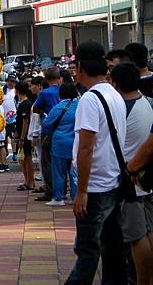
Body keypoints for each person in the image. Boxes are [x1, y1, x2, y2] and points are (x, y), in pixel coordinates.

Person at [65, 41, 128, 285]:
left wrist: (81, 191)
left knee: (88, 251)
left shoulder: (90, 99)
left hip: (95, 187)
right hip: (113, 182)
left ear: (80, 67)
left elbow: (86, 147)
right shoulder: (114, 94)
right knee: (112, 249)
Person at [110, 62, 153, 285]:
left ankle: (143, 280)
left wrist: (129, 170)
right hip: (146, 177)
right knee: (148, 231)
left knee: (136, 236)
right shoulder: (147, 102)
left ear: (115, 83)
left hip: (130, 177)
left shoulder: (121, 108)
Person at [42, 82, 79, 206]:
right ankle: (75, 197)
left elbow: (47, 124)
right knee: (74, 171)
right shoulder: (80, 105)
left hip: (59, 142)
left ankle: (58, 198)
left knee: (58, 171)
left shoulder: (58, 107)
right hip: (76, 142)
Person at [33, 67, 62, 202]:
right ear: (59, 78)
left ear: (46, 79)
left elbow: (35, 108)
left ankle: (50, 190)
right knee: (61, 162)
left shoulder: (44, 93)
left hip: (48, 130)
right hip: (64, 128)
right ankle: (62, 188)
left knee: (47, 162)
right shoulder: (63, 90)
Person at [15, 81, 34, 191]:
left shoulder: (25, 104)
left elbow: (25, 121)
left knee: (27, 158)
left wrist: (22, 137)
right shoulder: (23, 103)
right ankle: (28, 181)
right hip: (23, 135)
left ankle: (30, 182)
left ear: (17, 91)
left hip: (26, 136)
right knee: (25, 159)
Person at [2, 74, 18, 162]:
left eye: (12, 81)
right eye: (9, 81)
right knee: (4, 136)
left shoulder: (16, 91)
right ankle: (6, 151)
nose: (10, 83)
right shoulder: (2, 90)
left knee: (13, 136)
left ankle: (15, 153)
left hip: (14, 117)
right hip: (3, 117)